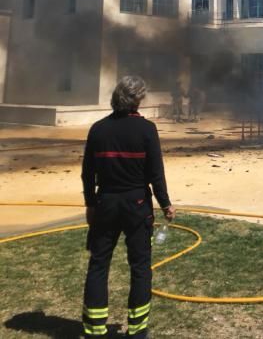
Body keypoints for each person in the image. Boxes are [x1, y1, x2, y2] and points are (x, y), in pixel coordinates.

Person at [81, 75, 175, 339]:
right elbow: (156, 174)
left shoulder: (98, 129)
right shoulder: (146, 130)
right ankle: (137, 331)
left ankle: (95, 330)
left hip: (106, 203)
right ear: (137, 100)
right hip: (137, 204)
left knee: (99, 264)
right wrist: (166, 204)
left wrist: (90, 203)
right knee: (140, 267)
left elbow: (87, 173)